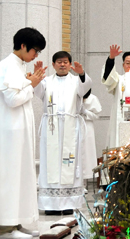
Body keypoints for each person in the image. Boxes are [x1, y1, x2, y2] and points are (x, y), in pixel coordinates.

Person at [0, 27, 46, 239]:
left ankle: (16, 222)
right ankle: (6, 228)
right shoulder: (8, 65)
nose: (36, 56)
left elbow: (19, 91)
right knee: (11, 175)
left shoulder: (18, 65)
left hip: (18, 130)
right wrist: (32, 84)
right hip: (10, 131)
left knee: (20, 173)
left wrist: (29, 81)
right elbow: (12, 100)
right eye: (35, 50)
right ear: (22, 46)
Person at [34, 51, 92, 215]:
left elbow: (85, 88)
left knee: (69, 162)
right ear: (53, 65)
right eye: (59, 62)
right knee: (50, 161)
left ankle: (68, 203)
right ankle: (50, 204)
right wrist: (37, 77)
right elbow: (38, 91)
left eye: (65, 62)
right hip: (51, 125)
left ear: (70, 64)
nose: (62, 64)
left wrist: (81, 73)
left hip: (70, 126)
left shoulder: (75, 81)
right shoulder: (46, 81)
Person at [80, 89, 102, 182]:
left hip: (87, 127)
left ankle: (84, 182)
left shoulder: (93, 98)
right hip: (74, 126)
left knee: (87, 152)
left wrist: (85, 112)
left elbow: (97, 116)